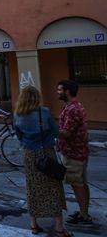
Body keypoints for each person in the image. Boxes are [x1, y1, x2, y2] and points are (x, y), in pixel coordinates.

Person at [14, 86, 71, 237]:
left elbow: (19, 136)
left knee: (32, 188)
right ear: (36, 98)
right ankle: (59, 228)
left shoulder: (18, 115)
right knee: (54, 188)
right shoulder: (44, 112)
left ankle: (33, 225)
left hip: (29, 155)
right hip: (46, 153)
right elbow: (56, 132)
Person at [58, 79, 93, 227]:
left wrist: (51, 129)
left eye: (60, 90)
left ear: (67, 91)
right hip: (79, 152)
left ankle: (84, 217)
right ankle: (83, 211)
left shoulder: (72, 109)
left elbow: (67, 133)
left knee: (77, 185)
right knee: (82, 184)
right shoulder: (73, 106)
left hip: (73, 153)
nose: (57, 92)